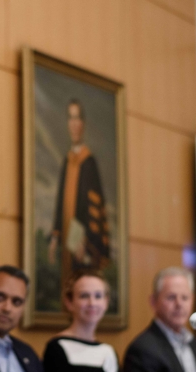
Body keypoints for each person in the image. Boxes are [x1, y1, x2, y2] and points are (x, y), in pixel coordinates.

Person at [48, 99, 110, 289]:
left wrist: (83, 239)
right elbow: (60, 202)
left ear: (83, 124)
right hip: (67, 235)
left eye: (77, 118)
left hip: (82, 241)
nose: (74, 124)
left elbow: (92, 209)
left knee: (81, 283)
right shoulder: (67, 161)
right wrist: (55, 236)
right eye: (71, 118)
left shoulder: (88, 163)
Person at [123, 267, 196, 372]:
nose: (179, 304)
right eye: (171, 297)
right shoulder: (142, 350)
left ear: (192, 300)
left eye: (185, 297)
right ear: (153, 301)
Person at [44, 270, 120, 372]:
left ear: (106, 302)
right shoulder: (58, 347)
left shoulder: (109, 351)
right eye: (84, 296)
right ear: (69, 302)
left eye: (98, 296)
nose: (92, 303)